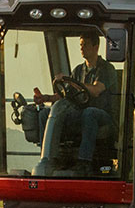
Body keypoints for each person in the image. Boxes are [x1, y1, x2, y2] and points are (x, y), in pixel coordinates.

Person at [31, 32, 119, 176]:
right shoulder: (78, 70)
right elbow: (63, 95)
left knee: (89, 113)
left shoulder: (106, 69)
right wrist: (45, 98)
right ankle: (48, 159)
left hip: (103, 116)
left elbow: (96, 90)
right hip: (79, 113)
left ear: (96, 46)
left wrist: (71, 82)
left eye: (85, 45)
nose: (81, 48)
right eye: (80, 45)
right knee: (44, 113)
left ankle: (84, 162)